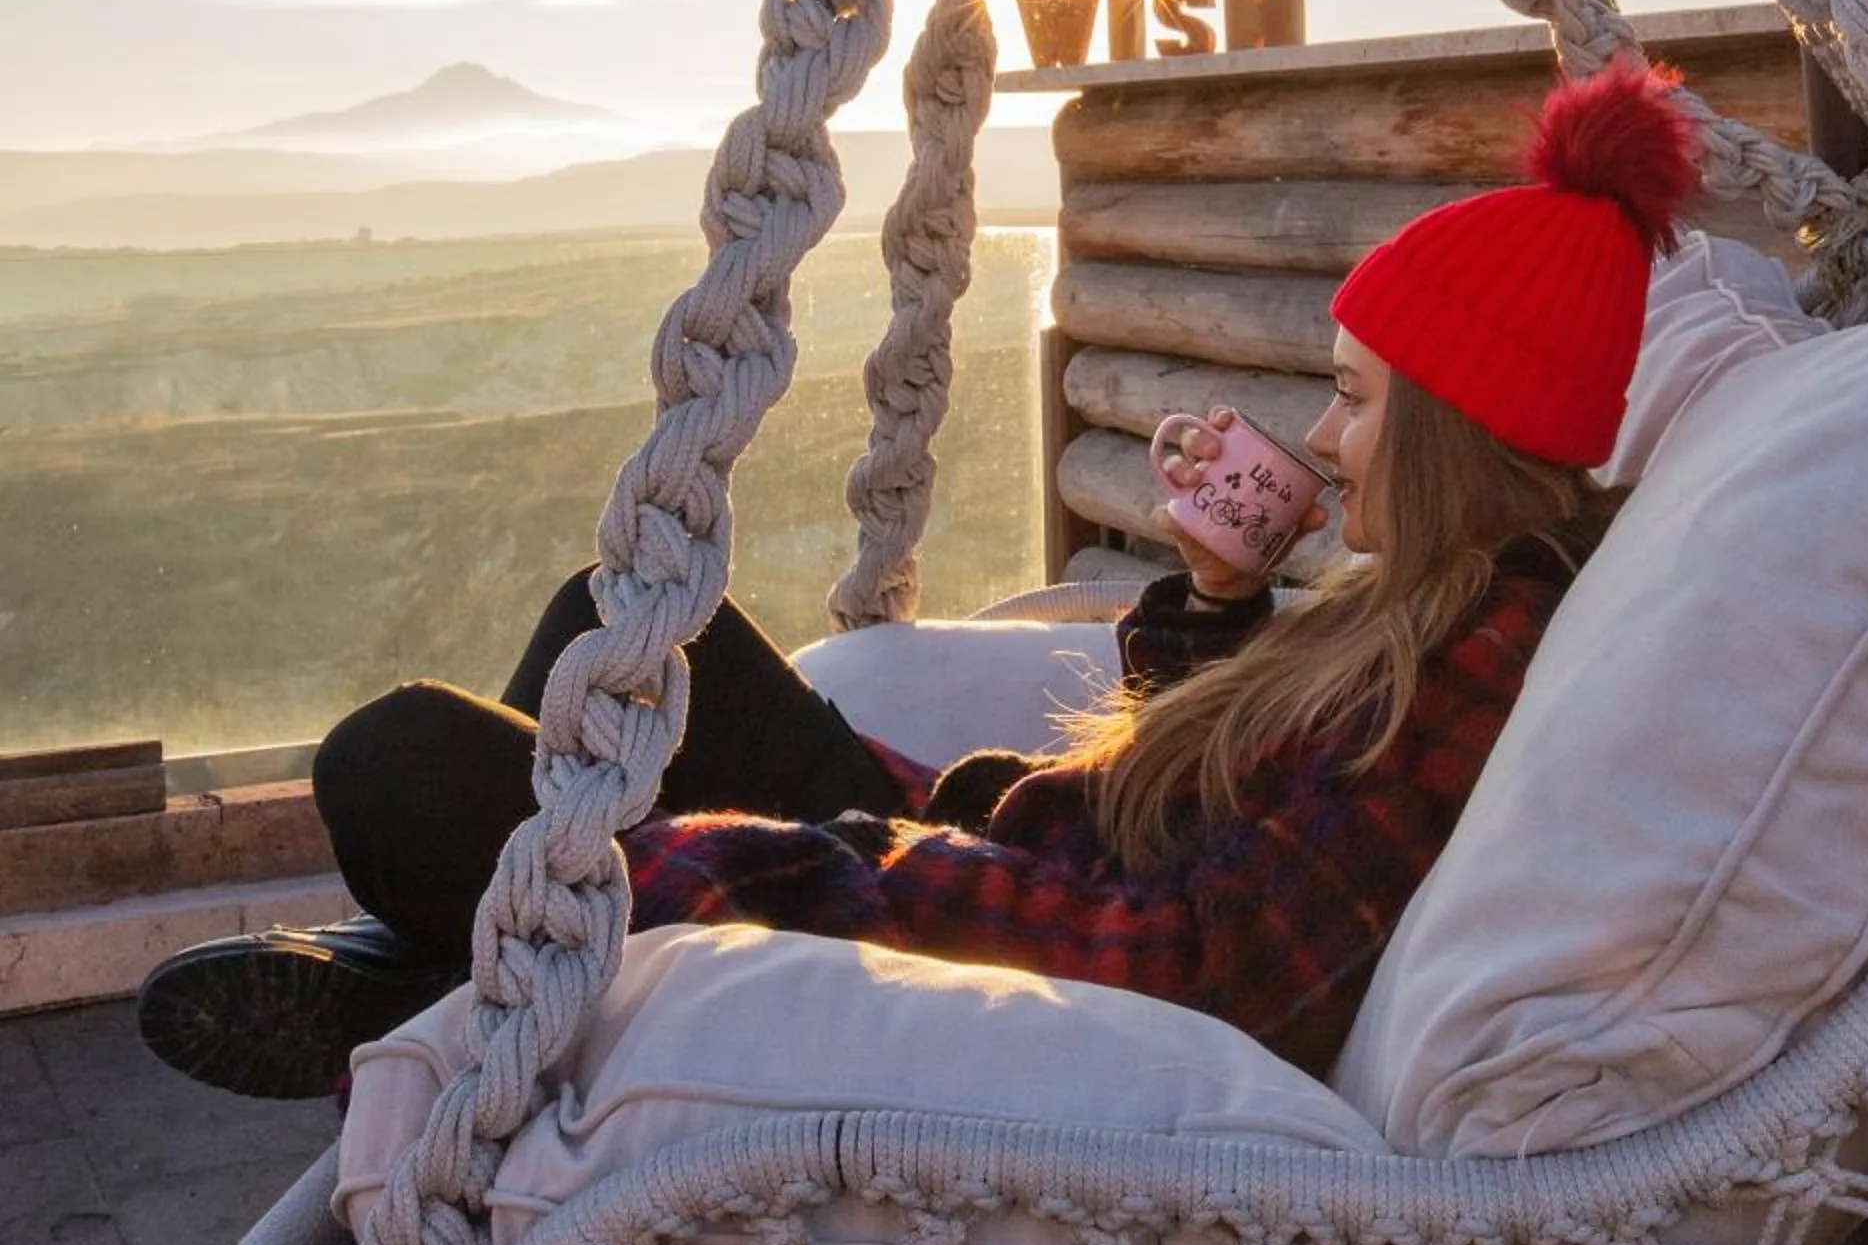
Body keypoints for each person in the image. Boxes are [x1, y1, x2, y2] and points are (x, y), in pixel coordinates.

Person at [137, 61, 1700, 1103]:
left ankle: (397, 1007)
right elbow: (1202, 788)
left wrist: (782, 871)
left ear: (1450, 426)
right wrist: (1219, 592)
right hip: (989, 840)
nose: (1323, 434)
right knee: (610, 628)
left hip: (979, 940)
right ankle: (423, 985)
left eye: (1359, 398)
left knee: (394, 760)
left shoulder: (1475, 659)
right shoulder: (1422, 603)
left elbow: (1206, 971)